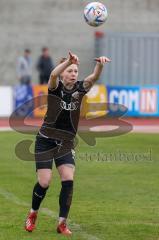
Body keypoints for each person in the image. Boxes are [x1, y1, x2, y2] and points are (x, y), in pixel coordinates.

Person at [25, 51, 111, 236]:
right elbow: (53, 75)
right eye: (70, 70)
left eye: (75, 71)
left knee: (68, 179)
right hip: (45, 141)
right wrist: (67, 62)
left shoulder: (81, 89)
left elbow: (94, 76)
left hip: (66, 142)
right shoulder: (55, 88)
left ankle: (62, 223)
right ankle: (33, 214)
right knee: (45, 182)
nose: (73, 73)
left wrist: (101, 64)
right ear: (64, 72)